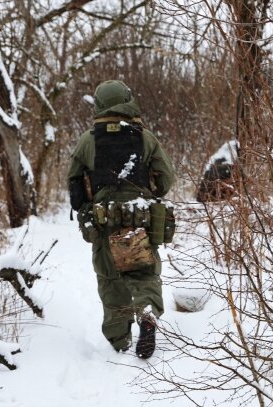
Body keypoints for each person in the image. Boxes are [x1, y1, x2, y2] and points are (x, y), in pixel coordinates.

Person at [68, 80, 175, 358]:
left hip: (104, 221)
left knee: (109, 278)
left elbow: (74, 185)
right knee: (144, 273)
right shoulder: (145, 137)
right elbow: (166, 178)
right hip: (139, 218)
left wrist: (86, 207)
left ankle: (119, 340)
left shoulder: (87, 139)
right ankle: (147, 315)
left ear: (100, 105)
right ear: (128, 102)